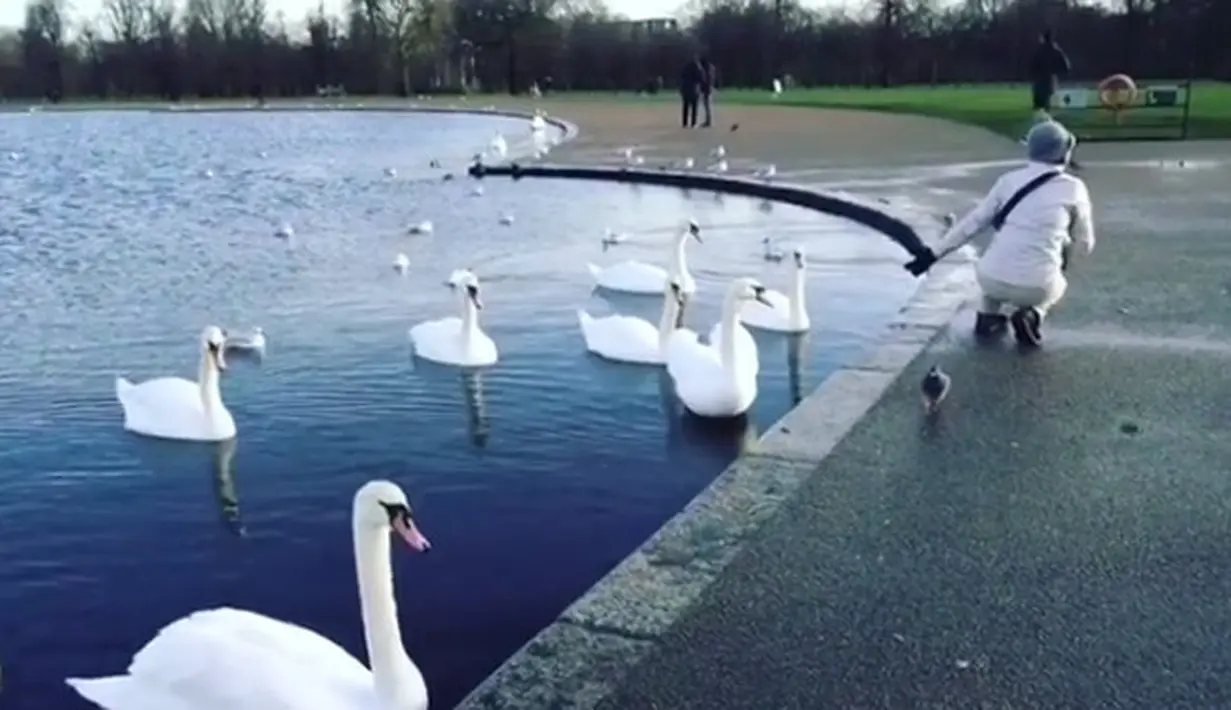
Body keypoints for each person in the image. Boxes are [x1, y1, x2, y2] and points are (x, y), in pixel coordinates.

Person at [903, 120, 1095, 348]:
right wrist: (1064, 260)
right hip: (1037, 287)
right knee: (1057, 284)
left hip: (991, 280)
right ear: (1065, 151)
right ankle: (1032, 315)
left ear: (1030, 149)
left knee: (994, 269)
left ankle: (988, 317)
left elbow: (972, 224)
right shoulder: (1074, 188)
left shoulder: (1008, 181)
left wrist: (932, 256)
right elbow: (1085, 242)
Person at [1030, 30, 1071, 120]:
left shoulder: (1039, 51)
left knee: (1039, 106)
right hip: (1051, 81)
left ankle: (1039, 125)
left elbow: (1032, 66)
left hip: (1039, 81)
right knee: (1049, 105)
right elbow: (1066, 66)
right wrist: (1056, 70)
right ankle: (1049, 123)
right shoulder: (1056, 51)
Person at [679, 55, 704, 128]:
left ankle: (684, 122)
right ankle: (693, 122)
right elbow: (701, 77)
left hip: (686, 88)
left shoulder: (685, 67)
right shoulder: (698, 67)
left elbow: (682, 77)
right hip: (694, 88)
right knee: (694, 107)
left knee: (686, 107)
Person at [699, 55, 716, 127]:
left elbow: (705, 80)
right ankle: (708, 120)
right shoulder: (709, 70)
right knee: (707, 106)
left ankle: (708, 121)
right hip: (708, 88)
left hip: (706, 89)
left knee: (706, 106)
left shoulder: (706, 71)